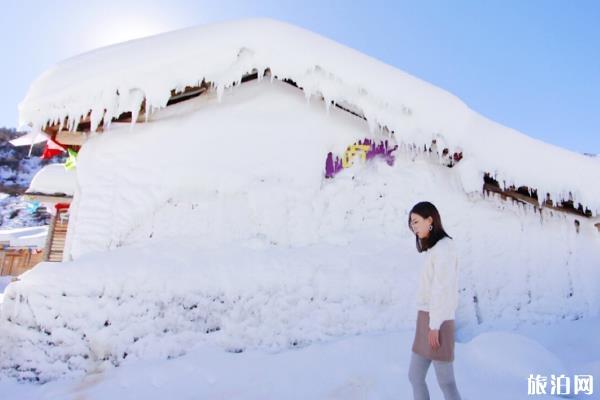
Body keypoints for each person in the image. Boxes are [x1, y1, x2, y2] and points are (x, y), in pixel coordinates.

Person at [407, 201, 462, 400]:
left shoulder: (444, 248)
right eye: (411, 224)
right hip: (427, 320)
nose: (413, 227)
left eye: (416, 222)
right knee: (415, 376)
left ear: (430, 220)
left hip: (438, 322)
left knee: (446, 382)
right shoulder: (435, 249)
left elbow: (442, 290)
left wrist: (435, 325)